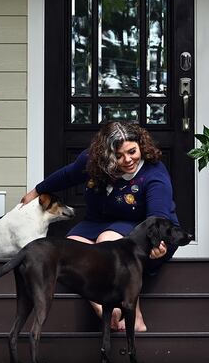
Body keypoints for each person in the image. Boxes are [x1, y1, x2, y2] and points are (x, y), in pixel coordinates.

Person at [20, 120, 180, 332]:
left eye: (132, 151)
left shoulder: (153, 174)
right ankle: (103, 308)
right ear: (107, 154)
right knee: (72, 247)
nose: (127, 160)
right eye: (119, 155)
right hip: (96, 222)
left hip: (143, 229)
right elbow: (68, 175)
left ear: (141, 145)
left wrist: (157, 244)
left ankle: (135, 316)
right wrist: (38, 190)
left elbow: (158, 218)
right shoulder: (93, 161)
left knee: (109, 242)